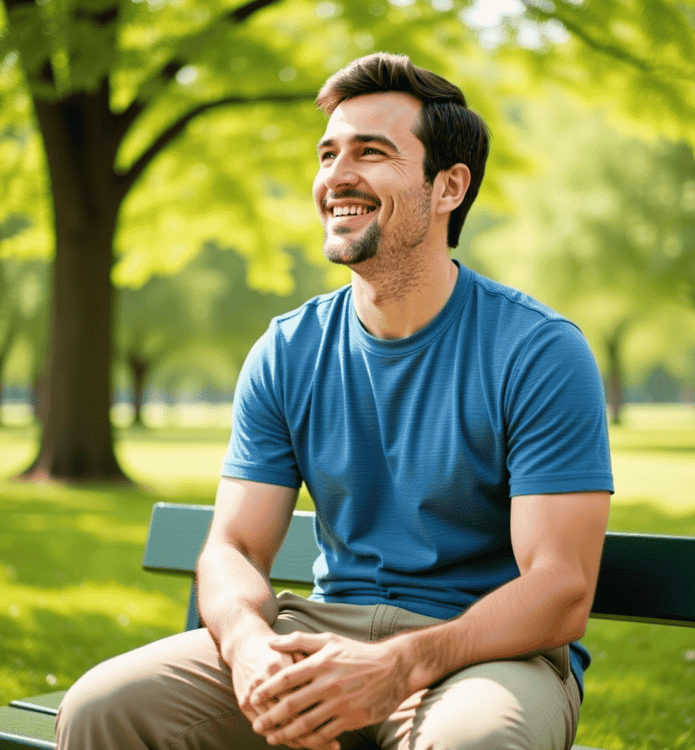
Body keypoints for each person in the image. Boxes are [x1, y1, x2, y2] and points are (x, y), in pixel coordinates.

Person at [57, 52, 613, 750]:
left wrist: (402, 664)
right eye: (328, 154)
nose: (336, 177)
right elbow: (234, 546)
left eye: (371, 152)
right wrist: (249, 643)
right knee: (103, 708)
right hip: (317, 634)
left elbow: (560, 586)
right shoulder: (288, 350)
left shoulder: (537, 351)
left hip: (481, 657)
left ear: (449, 187)